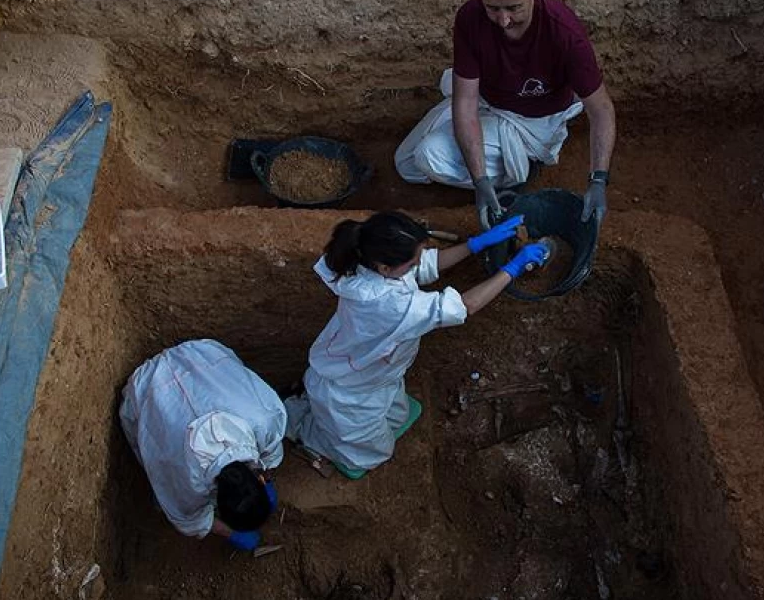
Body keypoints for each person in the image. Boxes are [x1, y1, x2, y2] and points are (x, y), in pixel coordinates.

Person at [285, 211, 548, 478]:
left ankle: (315, 406)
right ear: (385, 268)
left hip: (373, 373)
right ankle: (303, 429)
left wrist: (475, 244)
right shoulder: (390, 305)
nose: (418, 265)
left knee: (398, 416)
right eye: (412, 262)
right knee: (369, 456)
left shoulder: (365, 262)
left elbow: (424, 266)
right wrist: (512, 269)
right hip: (349, 391)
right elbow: (465, 305)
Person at [394, 0, 617, 228]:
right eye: (493, 8)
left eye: (513, 8)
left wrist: (598, 180)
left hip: (533, 120)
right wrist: (480, 182)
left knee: (429, 155)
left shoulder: (563, 33)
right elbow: (465, 102)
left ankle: (522, 168)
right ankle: (496, 175)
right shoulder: (471, 17)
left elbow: (602, 110)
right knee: (407, 164)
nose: (503, 20)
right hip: (489, 101)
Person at [119, 339, 285, 552]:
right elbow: (188, 518)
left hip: (199, 356)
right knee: (163, 484)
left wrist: (265, 478)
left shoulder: (263, 421)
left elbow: (270, 450)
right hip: (144, 390)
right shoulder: (186, 482)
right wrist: (230, 533)